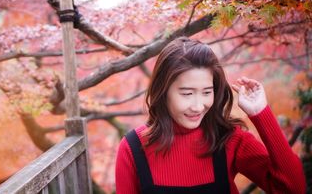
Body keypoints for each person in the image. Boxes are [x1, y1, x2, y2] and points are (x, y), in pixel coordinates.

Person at [115, 37, 306, 194]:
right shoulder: (133, 148)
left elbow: (293, 189)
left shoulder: (229, 140)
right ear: (163, 92)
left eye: (207, 92)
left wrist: (261, 114)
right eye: (187, 94)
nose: (199, 106)